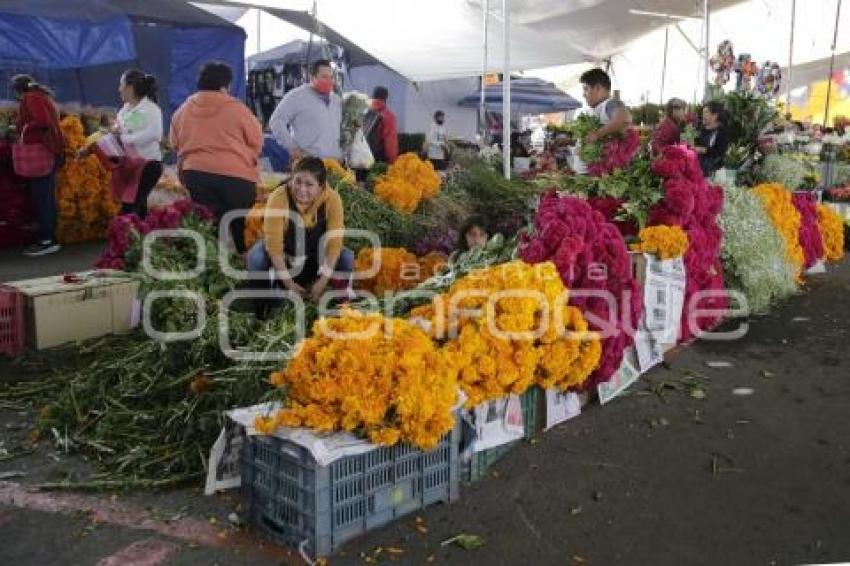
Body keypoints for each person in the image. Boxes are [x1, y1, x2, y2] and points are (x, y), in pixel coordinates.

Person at [169, 61, 263, 254]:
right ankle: (245, 268)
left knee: (209, 228)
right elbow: (256, 139)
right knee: (241, 228)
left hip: (196, 174)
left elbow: (173, 142)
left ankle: (213, 270)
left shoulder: (183, 109)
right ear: (225, 85)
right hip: (237, 178)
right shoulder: (237, 108)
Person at [246, 157, 353, 303]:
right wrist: (289, 283)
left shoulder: (332, 200)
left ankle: (338, 304)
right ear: (292, 179)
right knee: (255, 257)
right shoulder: (278, 197)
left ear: (321, 187)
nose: (302, 189)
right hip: (287, 257)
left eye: (309, 184)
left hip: (316, 258)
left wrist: (322, 283)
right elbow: (274, 247)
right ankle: (263, 306)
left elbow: (334, 245)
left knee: (346, 257)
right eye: (298, 181)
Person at [12, 75, 65, 256]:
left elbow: (42, 122)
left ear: (18, 90)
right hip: (51, 150)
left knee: (42, 197)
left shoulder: (31, 97)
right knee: (45, 196)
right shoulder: (41, 95)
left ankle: (47, 240)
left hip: (42, 152)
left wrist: (23, 129)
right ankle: (49, 236)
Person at [269, 59, 342, 163]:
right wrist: (291, 147)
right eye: (324, 77)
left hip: (335, 163)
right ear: (313, 77)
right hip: (308, 162)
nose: (329, 81)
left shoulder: (336, 100)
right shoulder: (296, 96)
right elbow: (276, 121)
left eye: (331, 77)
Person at [114, 69, 163, 217]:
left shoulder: (151, 109)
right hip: (131, 165)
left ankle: (128, 237)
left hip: (148, 166)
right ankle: (142, 238)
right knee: (138, 208)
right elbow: (124, 128)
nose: (119, 89)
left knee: (130, 207)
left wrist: (125, 138)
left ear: (130, 87)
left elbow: (155, 134)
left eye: (121, 85)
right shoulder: (125, 110)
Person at [579, 68, 631, 143]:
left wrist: (597, 134)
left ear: (597, 88)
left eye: (586, 89)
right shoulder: (599, 108)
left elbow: (624, 119)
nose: (583, 94)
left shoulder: (611, 103)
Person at [363, 86, 399, 164]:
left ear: (373, 96)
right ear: (386, 98)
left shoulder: (363, 112)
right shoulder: (388, 116)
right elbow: (390, 143)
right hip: (377, 162)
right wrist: (392, 162)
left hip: (359, 159)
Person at [694, 101, 730, 178]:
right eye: (703, 113)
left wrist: (703, 150)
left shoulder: (722, 132)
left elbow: (720, 151)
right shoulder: (702, 129)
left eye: (706, 113)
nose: (703, 115)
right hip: (698, 169)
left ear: (715, 115)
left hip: (713, 172)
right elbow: (696, 144)